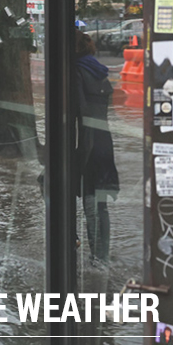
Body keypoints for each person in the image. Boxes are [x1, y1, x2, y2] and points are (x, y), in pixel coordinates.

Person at [74, 30, 118, 264]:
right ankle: (103, 257)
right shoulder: (99, 71)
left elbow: (79, 110)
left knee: (88, 204)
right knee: (101, 206)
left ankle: (95, 259)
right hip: (105, 143)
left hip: (87, 144)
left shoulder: (76, 71)